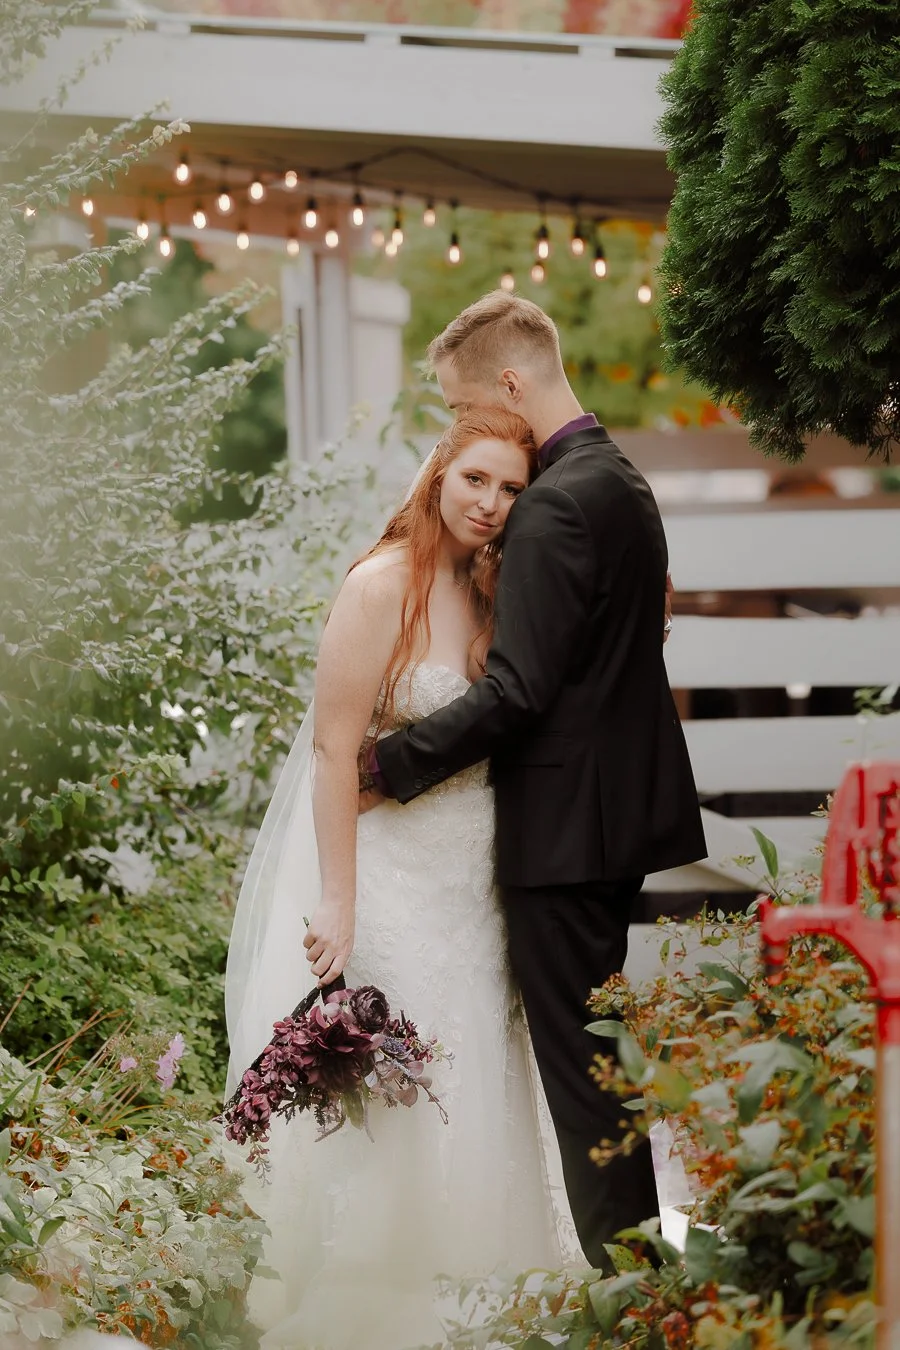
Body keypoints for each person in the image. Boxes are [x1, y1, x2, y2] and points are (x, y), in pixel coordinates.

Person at [331, 291, 708, 1271]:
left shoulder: (553, 503)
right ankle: (639, 1277)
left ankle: (635, 1290)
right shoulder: (619, 480)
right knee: (598, 1061)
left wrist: (391, 763)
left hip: (564, 834)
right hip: (615, 821)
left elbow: (520, 689)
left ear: (507, 384)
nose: (462, 434)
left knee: (583, 1076)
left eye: (462, 409)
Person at [225, 408, 566, 1350]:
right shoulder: (380, 587)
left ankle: (482, 1275)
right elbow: (338, 753)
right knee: (403, 1080)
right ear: (438, 476)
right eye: (476, 482)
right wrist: (339, 900)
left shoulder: (495, 590)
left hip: (477, 875)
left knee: (476, 1057)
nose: (492, 505)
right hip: (393, 874)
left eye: (510, 491)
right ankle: (391, 1294)